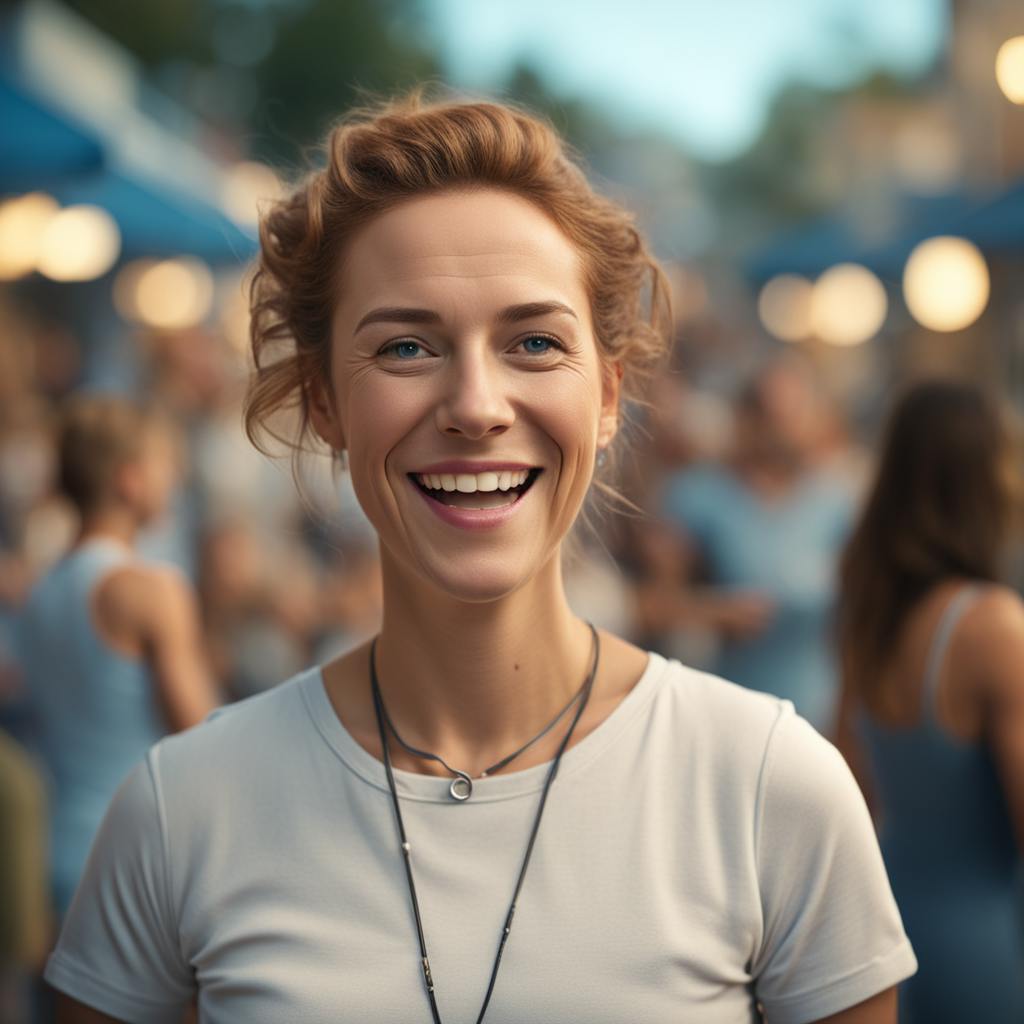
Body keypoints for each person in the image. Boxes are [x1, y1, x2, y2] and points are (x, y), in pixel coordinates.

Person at [47, 87, 914, 1023]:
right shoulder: (180, 813)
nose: (476, 404)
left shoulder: (769, 790)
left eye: (535, 342)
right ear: (326, 401)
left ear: (609, 395)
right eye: (407, 346)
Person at [835, 379, 1024, 1023]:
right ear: (981, 478)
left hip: (887, 935)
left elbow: (847, 791)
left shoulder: (872, 615)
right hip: (989, 952)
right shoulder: (992, 626)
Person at [17, 395, 218, 921]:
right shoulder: (151, 591)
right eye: (165, 466)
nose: (174, 479)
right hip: (137, 861)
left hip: (57, 854)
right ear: (130, 480)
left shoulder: (40, 593)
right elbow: (203, 737)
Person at [660, 355, 859, 732]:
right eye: (770, 417)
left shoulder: (836, 498)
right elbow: (654, 604)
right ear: (746, 419)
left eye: (794, 415)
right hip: (728, 713)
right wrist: (714, 612)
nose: (782, 430)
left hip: (820, 716)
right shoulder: (698, 494)